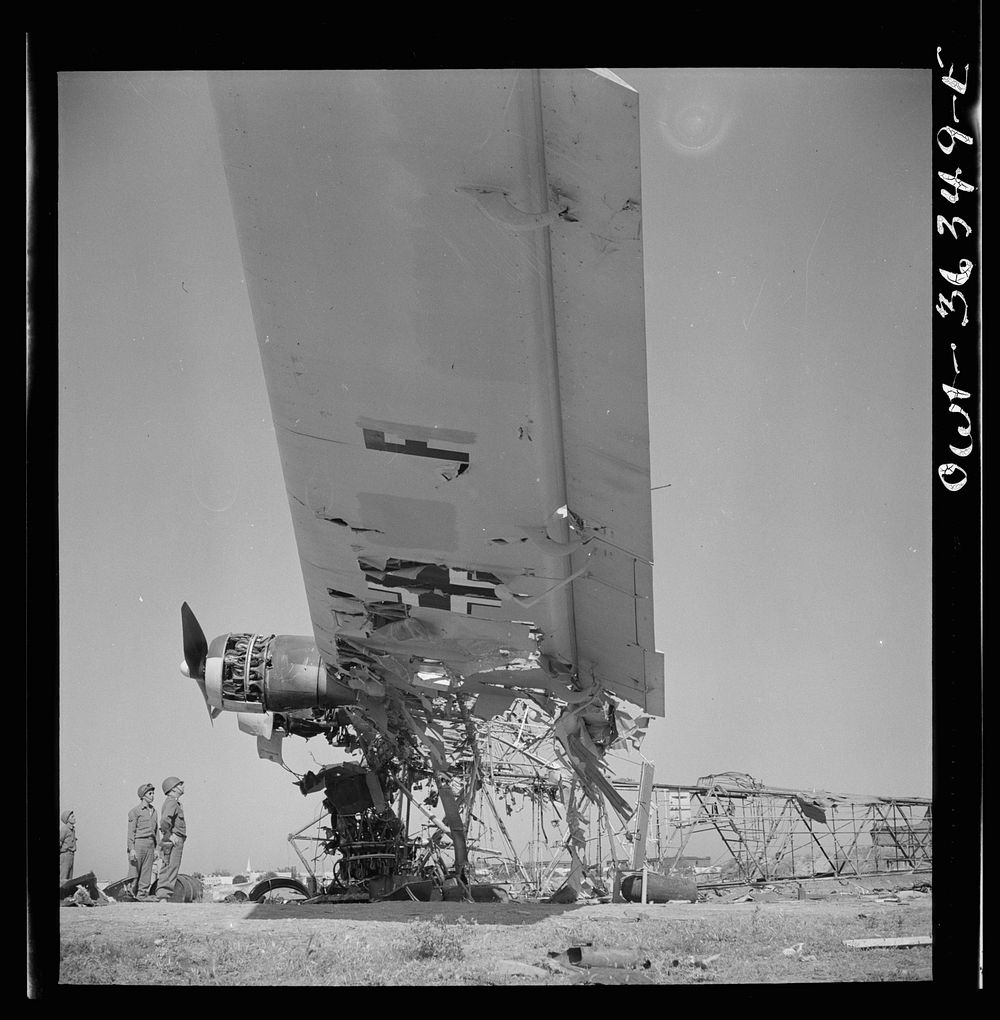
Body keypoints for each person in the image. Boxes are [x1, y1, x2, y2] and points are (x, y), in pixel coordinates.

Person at [126, 783, 159, 900]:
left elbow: (156, 833)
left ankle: (142, 896)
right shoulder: (134, 811)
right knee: (134, 873)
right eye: (150, 793)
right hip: (138, 844)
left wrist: (156, 849)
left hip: (150, 845)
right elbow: (131, 832)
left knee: (147, 872)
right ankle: (130, 895)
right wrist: (132, 849)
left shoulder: (154, 811)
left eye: (153, 793)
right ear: (143, 796)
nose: (153, 795)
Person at [156, 777, 187, 900]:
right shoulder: (172, 802)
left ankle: (164, 896)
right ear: (174, 788)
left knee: (170, 866)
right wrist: (170, 834)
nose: (183, 786)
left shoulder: (174, 802)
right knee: (170, 867)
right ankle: (163, 896)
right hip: (173, 839)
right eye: (180, 784)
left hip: (174, 839)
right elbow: (164, 821)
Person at [59, 810, 77, 882]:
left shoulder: (72, 830)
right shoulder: (65, 829)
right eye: (72, 816)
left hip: (71, 855)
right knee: (63, 878)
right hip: (65, 855)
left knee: (69, 879)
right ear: (67, 819)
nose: (74, 818)